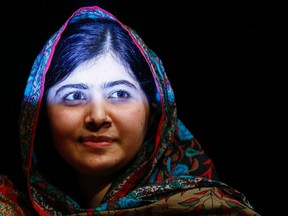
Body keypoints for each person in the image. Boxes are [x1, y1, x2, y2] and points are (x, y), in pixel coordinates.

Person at [0, 5, 260, 215]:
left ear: (155, 113)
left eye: (120, 94)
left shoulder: (209, 211)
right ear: (39, 115)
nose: (98, 116)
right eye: (75, 96)